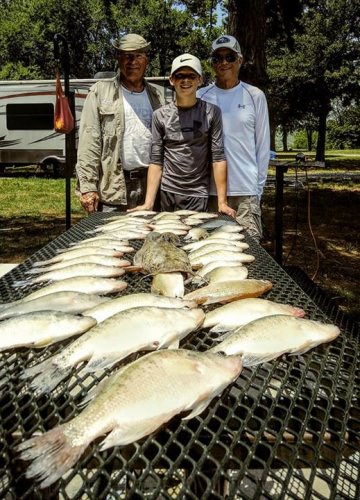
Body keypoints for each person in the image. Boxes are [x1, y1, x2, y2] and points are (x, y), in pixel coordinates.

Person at [129, 53, 236, 215]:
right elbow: (156, 160)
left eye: (191, 76)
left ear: (200, 80)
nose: (185, 81)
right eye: (180, 76)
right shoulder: (160, 115)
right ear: (172, 80)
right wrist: (148, 203)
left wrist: (222, 202)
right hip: (167, 193)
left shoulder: (212, 113)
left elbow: (218, 157)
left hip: (198, 194)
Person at [75, 34, 164, 213]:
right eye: (127, 56)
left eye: (138, 55)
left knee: (149, 238)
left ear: (146, 59)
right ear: (118, 59)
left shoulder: (157, 96)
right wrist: (88, 186)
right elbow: (89, 141)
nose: (133, 61)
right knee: (111, 239)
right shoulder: (100, 92)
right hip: (114, 187)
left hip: (151, 186)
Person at [198, 35, 270, 240]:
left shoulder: (255, 95)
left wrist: (257, 190)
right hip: (210, 193)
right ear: (212, 64)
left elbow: (262, 147)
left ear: (240, 60)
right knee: (211, 253)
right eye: (217, 58)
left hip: (245, 192)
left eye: (229, 57)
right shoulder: (201, 96)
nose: (223, 63)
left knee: (250, 253)